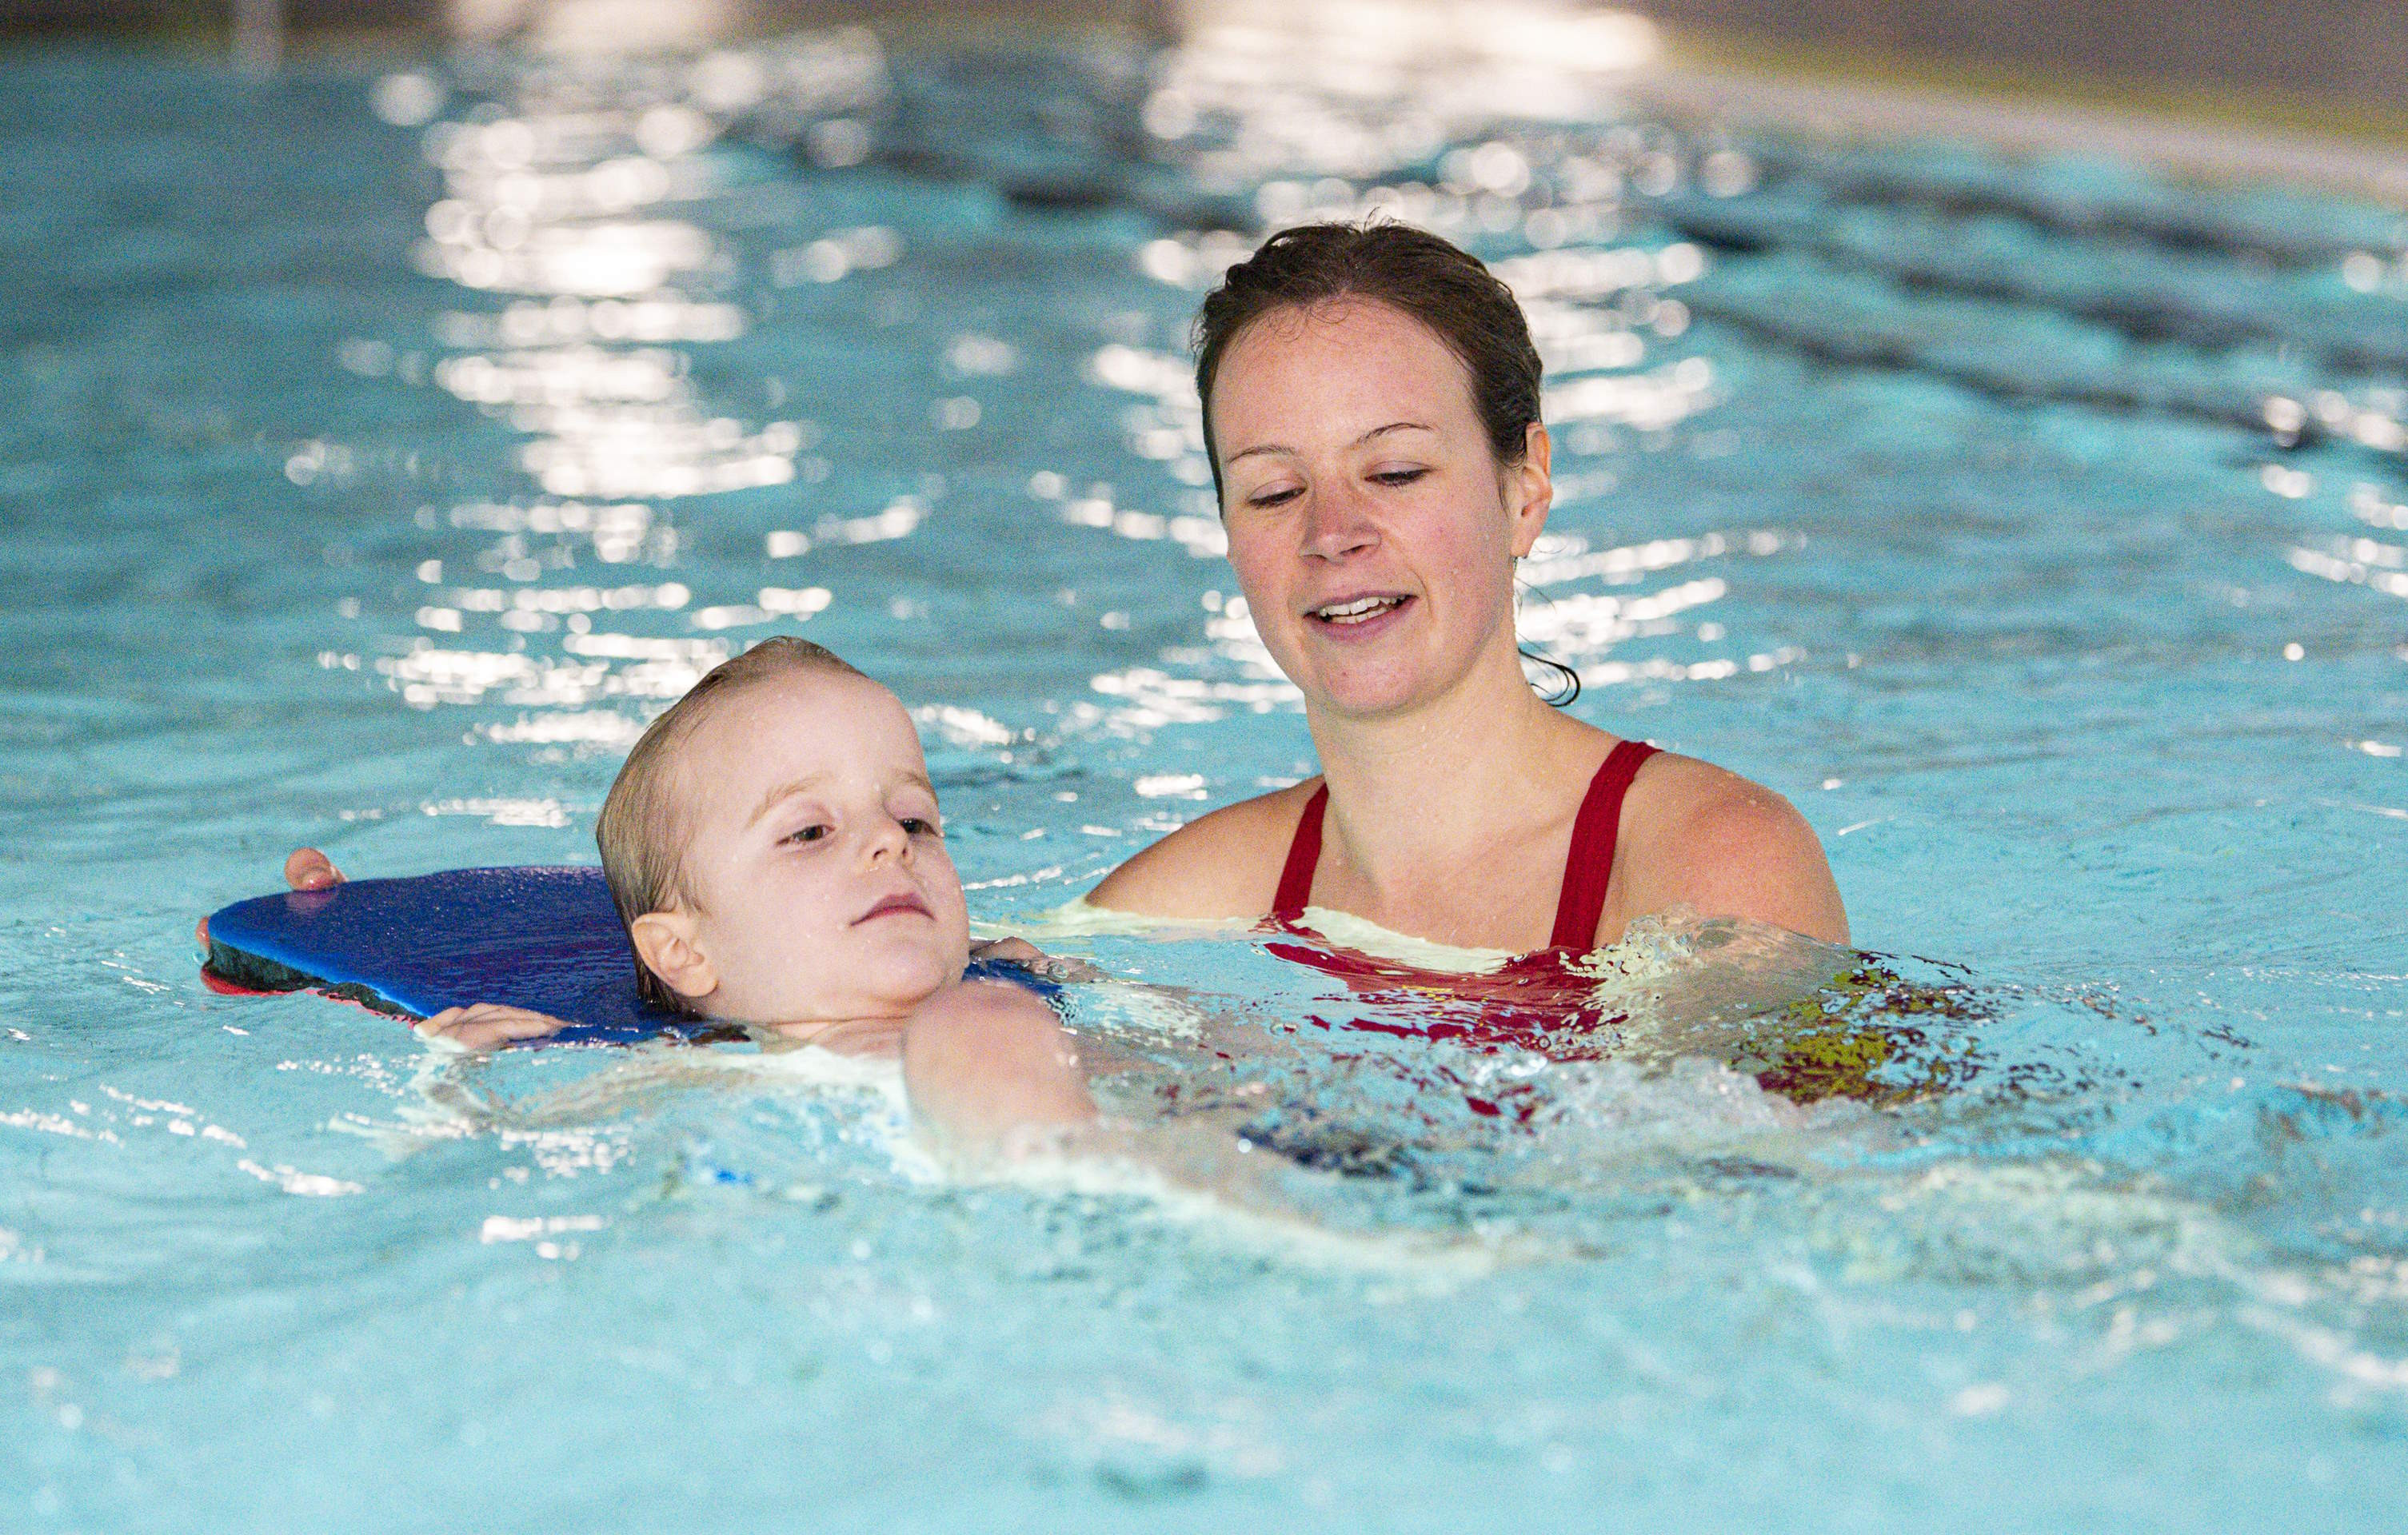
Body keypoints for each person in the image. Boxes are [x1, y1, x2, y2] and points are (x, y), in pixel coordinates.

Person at [1084, 221, 1847, 957]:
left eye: (1395, 473)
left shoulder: (1706, 866)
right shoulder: (1183, 905)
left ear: (1524, 492)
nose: (1332, 532)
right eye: (1275, 492)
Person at [397, 637, 1096, 1154]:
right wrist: (464, 1081)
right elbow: (463, 1146)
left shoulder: (1033, 999)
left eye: (914, 819)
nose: (891, 840)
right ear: (683, 953)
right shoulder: (683, 1076)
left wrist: (1075, 988)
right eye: (810, 832)